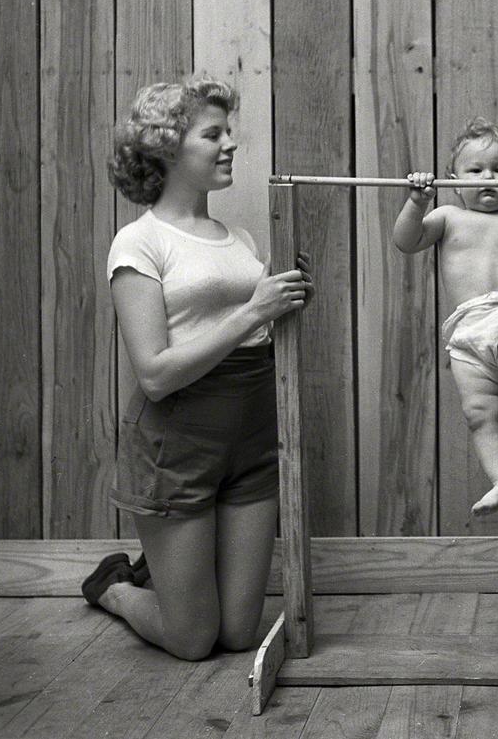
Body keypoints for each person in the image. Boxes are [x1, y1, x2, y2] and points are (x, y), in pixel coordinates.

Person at [80, 77, 313, 660]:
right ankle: (115, 587)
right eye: (213, 134)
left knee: (237, 636)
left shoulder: (239, 239)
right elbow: (155, 374)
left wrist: (288, 298)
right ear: (168, 149)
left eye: (228, 131)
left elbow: (259, 331)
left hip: (252, 439)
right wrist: (254, 308)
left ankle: (171, 577)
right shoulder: (139, 242)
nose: (230, 143)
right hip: (177, 446)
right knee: (192, 640)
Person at [393, 118, 498, 515]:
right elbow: (406, 241)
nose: (489, 177)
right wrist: (416, 201)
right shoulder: (446, 218)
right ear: (454, 181)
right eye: (476, 170)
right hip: (467, 327)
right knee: (479, 413)